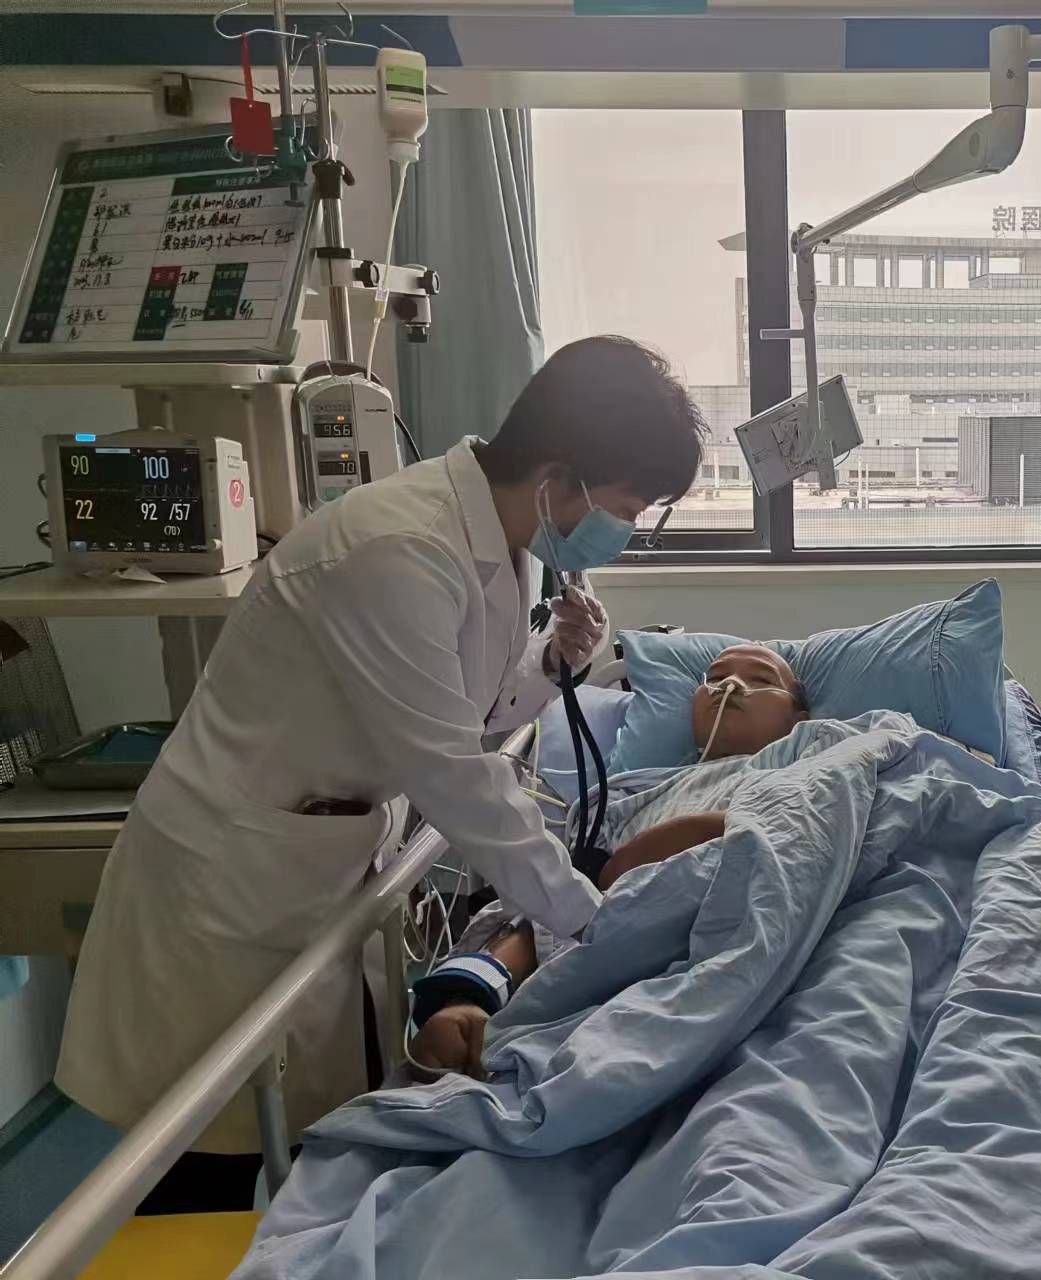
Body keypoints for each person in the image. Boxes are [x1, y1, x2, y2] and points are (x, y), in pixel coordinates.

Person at [57, 335, 706, 1208]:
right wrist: (596, 926)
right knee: (201, 1153)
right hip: (227, 881)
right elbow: (456, 774)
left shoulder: (504, 544)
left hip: (324, 860)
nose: (624, 530)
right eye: (627, 507)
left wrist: (554, 664)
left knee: (309, 1126)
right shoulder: (394, 548)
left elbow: (474, 711)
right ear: (559, 476)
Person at [408, 644, 812, 1077]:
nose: (729, 686)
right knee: (554, 897)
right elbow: (574, 895)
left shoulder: (815, 762)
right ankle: (475, 992)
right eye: (714, 678)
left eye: (761, 679)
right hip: (613, 937)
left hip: (741, 933)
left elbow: (805, 832)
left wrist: (673, 841)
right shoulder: (624, 793)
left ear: (799, 718)